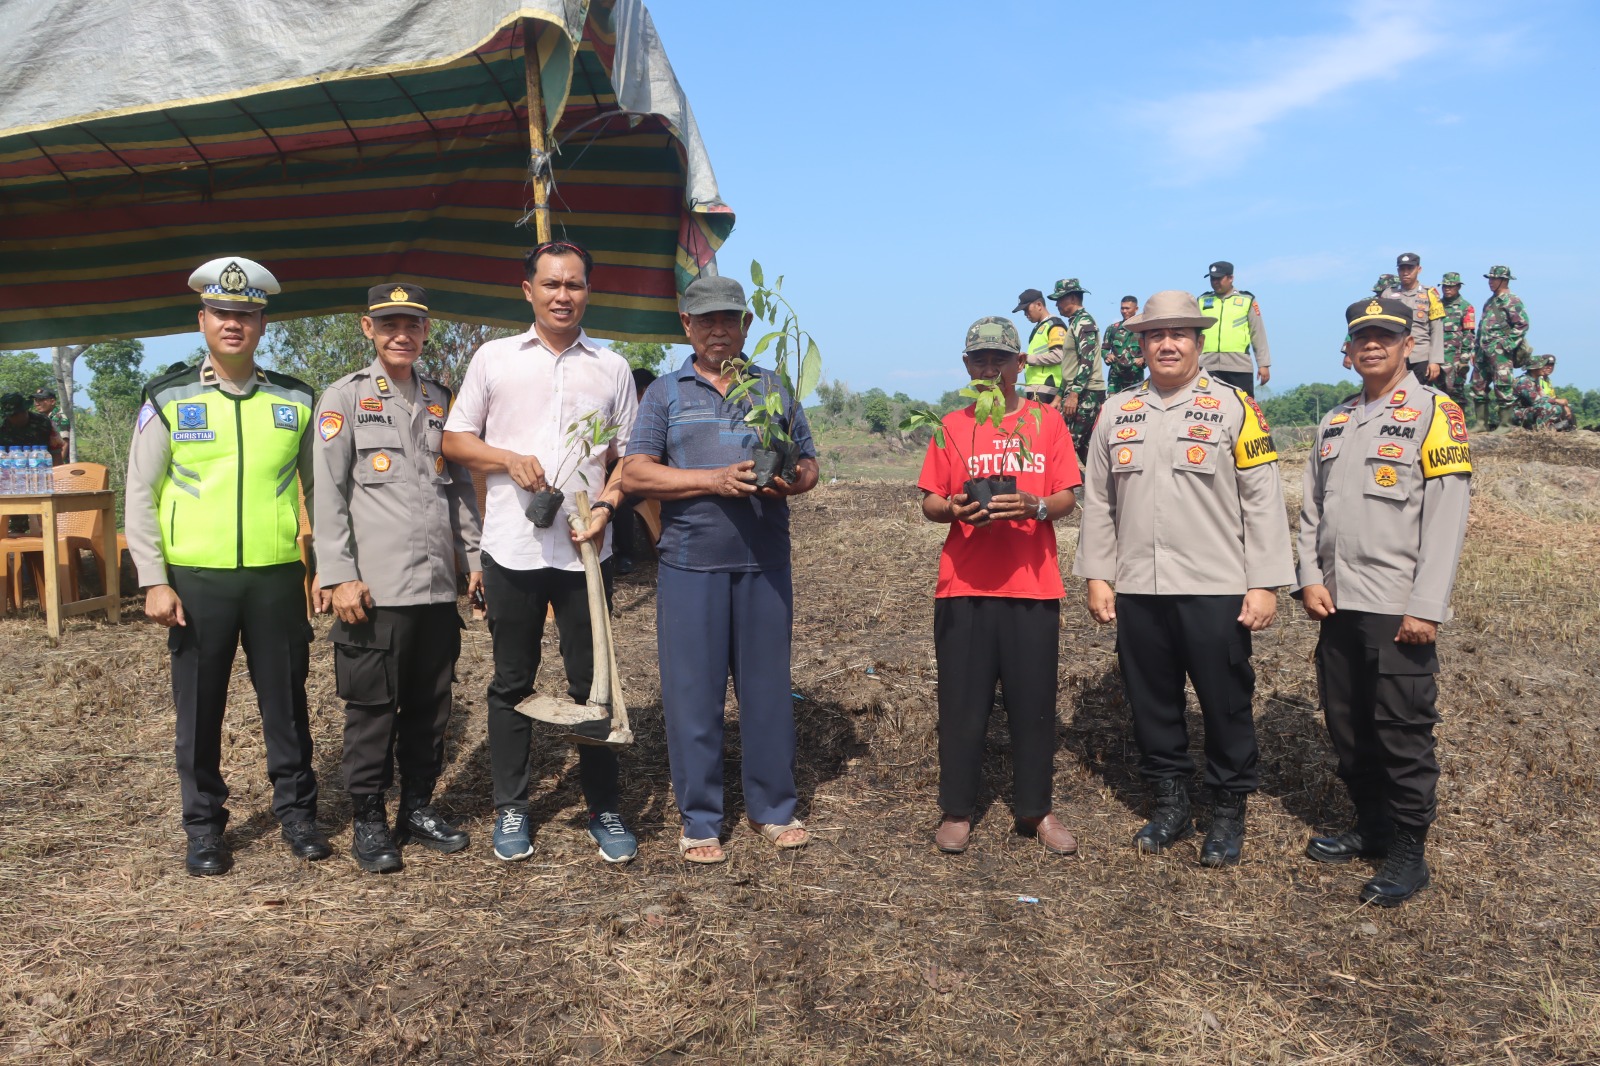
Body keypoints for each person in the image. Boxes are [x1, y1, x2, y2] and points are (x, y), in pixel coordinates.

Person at [1073, 290, 1294, 866]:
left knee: (1224, 701)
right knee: (1152, 701)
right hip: (1139, 586)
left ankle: (1227, 807)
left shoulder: (1234, 406)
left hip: (1215, 584)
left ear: (1198, 342)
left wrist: (1265, 581)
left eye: (1179, 334)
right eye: (1155, 335)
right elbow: (1099, 500)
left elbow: (1264, 498)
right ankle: (1170, 801)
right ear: (1141, 343)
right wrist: (1098, 574)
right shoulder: (1116, 411)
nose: (1167, 344)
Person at [124, 257, 328, 876]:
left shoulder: (294, 398)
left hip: (274, 577)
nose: (233, 323)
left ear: (262, 323)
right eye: (222, 313)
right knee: (199, 707)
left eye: (245, 314)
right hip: (197, 579)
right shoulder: (168, 396)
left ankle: (297, 815)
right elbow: (140, 492)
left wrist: (322, 565)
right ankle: (204, 826)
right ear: (202, 319)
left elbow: (319, 492)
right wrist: (153, 579)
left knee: (287, 703)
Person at [441, 240, 638, 865]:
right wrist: (506, 458)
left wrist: (606, 506)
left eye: (575, 285)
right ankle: (513, 807)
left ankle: (603, 808)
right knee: (510, 681)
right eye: (551, 284)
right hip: (512, 548)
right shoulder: (495, 360)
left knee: (593, 682)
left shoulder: (612, 367)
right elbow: (453, 439)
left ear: (588, 292)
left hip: (585, 555)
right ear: (527, 290)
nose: (563, 296)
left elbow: (629, 457)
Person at [620, 274, 819, 864]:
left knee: (766, 692)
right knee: (692, 696)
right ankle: (701, 820)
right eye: (705, 320)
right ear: (686, 326)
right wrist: (711, 480)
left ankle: (774, 807)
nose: (717, 329)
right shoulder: (665, 393)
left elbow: (808, 463)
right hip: (689, 566)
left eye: (728, 319)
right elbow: (634, 474)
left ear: (746, 326)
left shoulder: (773, 388)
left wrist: (794, 479)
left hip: (763, 562)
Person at [1295, 297, 1472, 906]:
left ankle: (1408, 850)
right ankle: (1371, 826)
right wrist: (1308, 576)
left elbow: (1447, 519)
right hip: (1338, 601)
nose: (1373, 346)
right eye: (1362, 337)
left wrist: (1427, 605)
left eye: (1386, 337)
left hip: (1398, 605)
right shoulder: (1337, 419)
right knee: (1348, 724)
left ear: (1407, 346)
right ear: (1348, 349)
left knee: (1401, 729)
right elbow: (1311, 510)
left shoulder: (1436, 413)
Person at [314, 283, 484, 873]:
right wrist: (338, 575)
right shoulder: (344, 399)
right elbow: (328, 494)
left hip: (436, 587)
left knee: (430, 704)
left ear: (426, 330)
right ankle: (368, 819)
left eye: (411, 324)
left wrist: (474, 559)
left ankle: (417, 807)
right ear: (369, 328)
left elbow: (460, 489)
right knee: (372, 708)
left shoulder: (442, 403)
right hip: (375, 591)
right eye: (389, 324)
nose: (401, 335)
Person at [916, 316, 1082, 856]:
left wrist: (1035, 506)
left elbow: (1065, 497)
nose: (990, 368)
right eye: (980, 360)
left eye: (1000, 359)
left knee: (1034, 706)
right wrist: (953, 509)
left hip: (1031, 585)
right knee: (962, 706)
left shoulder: (1045, 421)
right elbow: (930, 502)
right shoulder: (951, 425)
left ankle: (1035, 808)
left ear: (1020, 364)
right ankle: (958, 808)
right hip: (964, 585)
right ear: (967, 367)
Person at [609, 367, 658, 576]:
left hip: (647, 476)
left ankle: (625, 554)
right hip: (618, 470)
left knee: (623, 498)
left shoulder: (654, 415)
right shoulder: (620, 412)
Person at [1048, 278, 1105, 460]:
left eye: (1059, 299)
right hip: (1077, 391)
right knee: (1085, 447)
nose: (1056, 304)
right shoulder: (1074, 322)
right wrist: (1059, 396)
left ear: (1072, 298)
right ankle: (1099, 486)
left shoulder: (1084, 322)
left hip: (1086, 392)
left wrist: (1073, 395)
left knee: (1067, 443)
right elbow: (1070, 367)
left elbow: (1086, 361)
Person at [1197, 262, 1270, 396]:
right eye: (1212, 279)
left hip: (1239, 366)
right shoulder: (1202, 301)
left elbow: (1257, 333)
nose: (1215, 282)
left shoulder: (1246, 300)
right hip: (1207, 367)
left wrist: (1263, 364)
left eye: (1219, 278)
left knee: (1243, 409)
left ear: (1231, 278)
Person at [1472, 265, 1531, 432]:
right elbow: (1481, 327)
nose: (1491, 282)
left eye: (1494, 279)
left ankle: (1505, 425)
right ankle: (1481, 424)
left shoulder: (1512, 300)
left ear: (1504, 280)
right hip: (1483, 351)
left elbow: (1522, 324)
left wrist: (1506, 345)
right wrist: (1475, 350)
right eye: (1490, 279)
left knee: (1503, 386)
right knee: (1478, 385)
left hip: (1501, 354)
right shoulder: (1490, 301)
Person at [1380, 253, 1444, 383]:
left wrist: (1435, 361)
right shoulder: (1388, 294)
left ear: (1418, 269)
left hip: (1420, 356)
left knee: (1419, 398)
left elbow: (1437, 329)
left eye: (1410, 269)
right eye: (1402, 269)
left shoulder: (1429, 294)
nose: (1406, 273)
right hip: (1394, 356)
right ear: (1398, 271)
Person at [1014, 287, 1069, 413]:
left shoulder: (1054, 325)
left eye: (1026, 310)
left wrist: (1028, 359)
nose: (1025, 315)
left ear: (1039, 305)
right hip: (1035, 388)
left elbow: (1059, 356)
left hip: (1047, 389)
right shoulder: (1040, 327)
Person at [1437, 272, 1476, 407]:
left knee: (1456, 392)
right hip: (1437, 357)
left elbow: (1469, 334)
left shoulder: (1466, 307)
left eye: (1451, 286)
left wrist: (1464, 359)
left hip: (1456, 357)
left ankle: (1459, 424)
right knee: (1437, 393)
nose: (1447, 289)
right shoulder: (1436, 306)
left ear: (1458, 287)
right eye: (1444, 286)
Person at [1510, 354, 1576, 431]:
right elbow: (1536, 400)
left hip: (1526, 410)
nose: (1544, 368)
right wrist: (1557, 401)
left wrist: (1562, 404)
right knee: (1546, 407)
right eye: (1542, 366)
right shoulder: (1524, 381)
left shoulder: (1535, 380)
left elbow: (1543, 396)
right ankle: (1540, 429)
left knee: (1557, 408)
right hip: (1515, 413)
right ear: (1534, 368)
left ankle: (1545, 427)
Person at [1103, 296, 1145, 394]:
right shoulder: (1112, 329)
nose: (1124, 311)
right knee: (1112, 408)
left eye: (1127, 308)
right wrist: (1107, 355)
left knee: (1135, 408)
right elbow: (1104, 349)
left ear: (1136, 309)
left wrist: (1143, 359)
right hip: (1115, 382)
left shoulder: (1142, 330)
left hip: (1136, 381)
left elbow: (1151, 350)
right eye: (1122, 308)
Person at [32, 388, 69, 458]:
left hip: (56, 463)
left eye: (41, 400)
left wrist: (57, 467)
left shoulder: (59, 418)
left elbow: (64, 444)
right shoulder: (41, 418)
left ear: (52, 401)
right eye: (36, 400)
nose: (37, 403)